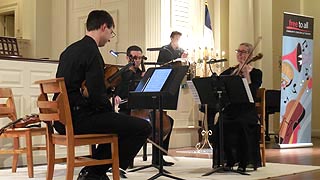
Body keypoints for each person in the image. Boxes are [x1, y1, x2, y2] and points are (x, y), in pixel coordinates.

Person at [55, 10, 152, 180]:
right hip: (78, 120)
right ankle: (95, 172)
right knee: (142, 127)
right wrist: (110, 110)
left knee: (120, 124)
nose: (109, 38)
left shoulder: (69, 51)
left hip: (61, 120)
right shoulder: (92, 52)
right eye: (110, 32)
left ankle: (95, 170)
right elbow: (96, 95)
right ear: (103, 27)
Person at [114, 45, 175, 167]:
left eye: (140, 58)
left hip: (144, 109)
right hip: (128, 109)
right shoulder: (123, 73)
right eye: (135, 57)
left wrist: (147, 78)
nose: (137, 60)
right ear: (127, 58)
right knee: (138, 124)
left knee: (167, 122)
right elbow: (119, 92)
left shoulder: (143, 73)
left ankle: (158, 157)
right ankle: (127, 159)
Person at [214, 42, 262, 172]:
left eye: (244, 52)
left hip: (246, 111)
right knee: (220, 125)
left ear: (250, 55)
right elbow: (218, 83)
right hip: (231, 110)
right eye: (238, 51)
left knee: (241, 124)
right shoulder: (230, 71)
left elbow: (251, 93)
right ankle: (228, 160)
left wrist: (247, 75)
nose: (240, 54)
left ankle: (244, 162)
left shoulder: (256, 73)